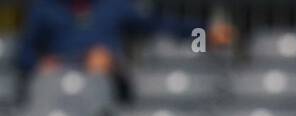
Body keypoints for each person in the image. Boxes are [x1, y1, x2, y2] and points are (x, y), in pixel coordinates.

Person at [17, 0, 232, 78]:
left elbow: (160, 25)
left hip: (107, 77)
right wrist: (40, 65)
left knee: (100, 62)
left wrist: (204, 32)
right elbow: (23, 55)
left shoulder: (115, 5)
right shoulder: (44, 8)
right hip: (57, 80)